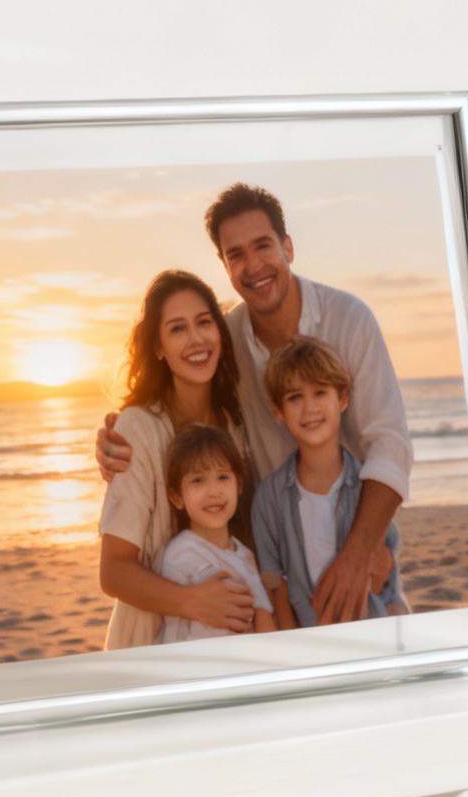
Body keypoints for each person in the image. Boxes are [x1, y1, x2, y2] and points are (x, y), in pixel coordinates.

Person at [97, 183, 412, 625]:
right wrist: (120, 431)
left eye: (263, 246)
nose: (253, 265)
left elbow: (390, 445)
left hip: (354, 541)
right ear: (225, 266)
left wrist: (360, 553)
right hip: (274, 562)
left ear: (288, 247)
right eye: (236, 255)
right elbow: (174, 397)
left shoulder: (349, 319)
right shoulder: (226, 342)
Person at [96, 271, 260, 649]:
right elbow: (114, 571)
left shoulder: (234, 425)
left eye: (204, 322)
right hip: (151, 649)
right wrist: (193, 602)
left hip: (226, 644)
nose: (196, 339)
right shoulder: (138, 429)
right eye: (177, 329)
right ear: (158, 347)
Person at [251, 336, 405, 626]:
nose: (309, 408)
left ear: (343, 399)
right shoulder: (269, 496)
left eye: (320, 392)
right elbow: (275, 583)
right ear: (278, 411)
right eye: (294, 398)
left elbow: (383, 582)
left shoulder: (368, 490)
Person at [152, 425, 288, 643]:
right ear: (177, 497)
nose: (214, 492)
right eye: (198, 480)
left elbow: (263, 621)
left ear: (238, 485)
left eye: (223, 477)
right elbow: (176, 632)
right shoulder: (179, 554)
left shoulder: (245, 555)